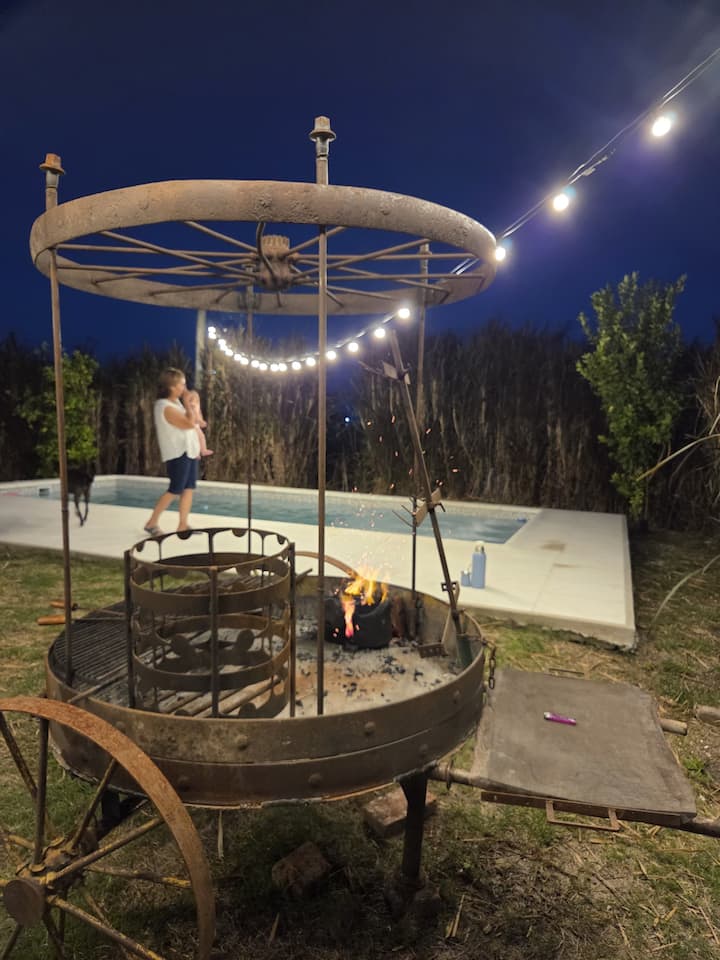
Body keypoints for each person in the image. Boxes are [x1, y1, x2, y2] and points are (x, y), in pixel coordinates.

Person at [144, 368, 201, 536]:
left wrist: (191, 404)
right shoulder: (164, 406)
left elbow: (195, 420)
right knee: (175, 489)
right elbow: (188, 424)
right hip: (177, 453)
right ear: (171, 386)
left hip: (189, 451)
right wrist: (188, 405)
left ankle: (183, 525)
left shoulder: (176, 403)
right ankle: (151, 523)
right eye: (181, 384)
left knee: (188, 488)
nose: (184, 388)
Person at [184, 389, 213, 457]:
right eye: (191, 400)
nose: (194, 403)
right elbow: (192, 416)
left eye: (197, 400)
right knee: (194, 440)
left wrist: (201, 421)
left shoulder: (197, 407)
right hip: (191, 426)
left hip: (196, 425)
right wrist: (199, 421)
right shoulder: (190, 408)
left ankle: (203, 450)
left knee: (201, 437)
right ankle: (196, 453)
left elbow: (199, 415)